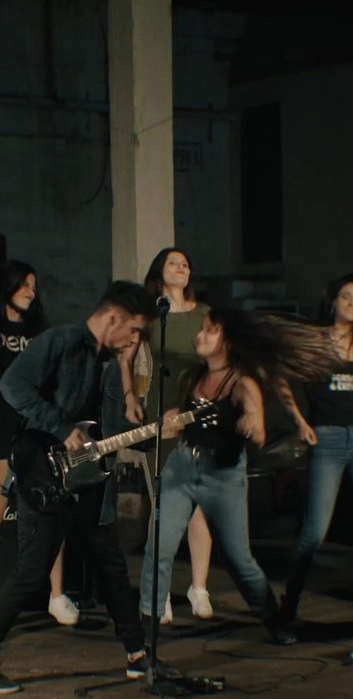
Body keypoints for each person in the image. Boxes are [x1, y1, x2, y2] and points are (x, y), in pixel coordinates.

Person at [0, 281, 154, 694]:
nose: (135, 340)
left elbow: (110, 432)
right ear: (114, 318)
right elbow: (12, 386)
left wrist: (153, 428)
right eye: (134, 330)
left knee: (112, 568)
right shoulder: (61, 341)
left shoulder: (109, 365)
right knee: (31, 572)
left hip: (87, 479)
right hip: (44, 474)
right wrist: (61, 428)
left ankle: (138, 655)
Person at [139, 307, 336, 646]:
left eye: (209, 330)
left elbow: (256, 423)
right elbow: (178, 424)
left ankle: (273, 618)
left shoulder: (241, 382)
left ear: (227, 342)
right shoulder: (192, 376)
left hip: (222, 477)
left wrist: (251, 424)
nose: (200, 335)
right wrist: (169, 423)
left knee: (239, 560)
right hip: (182, 467)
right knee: (158, 546)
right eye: (202, 329)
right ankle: (147, 627)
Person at [0, 183, 74, 630]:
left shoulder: (40, 330)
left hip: (35, 428)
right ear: (6, 286)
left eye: (33, 286)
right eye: (23, 284)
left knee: (49, 507)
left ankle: (57, 595)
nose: (30, 290)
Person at [277, 275, 353, 629]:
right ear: (334, 301)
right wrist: (299, 421)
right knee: (315, 531)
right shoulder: (317, 342)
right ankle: (290, 602)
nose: (352, 304)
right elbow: (280, 377)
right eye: (346, 296)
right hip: (326, 439)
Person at [118, 247, 216, 622]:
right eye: (174, 263)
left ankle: (199, 588)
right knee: (165, 504)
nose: (181, 268)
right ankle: (160, 594)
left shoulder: (204, 313)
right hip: (164, 415)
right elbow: (125, 357)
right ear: (160, 271)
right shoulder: (151, 314)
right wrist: (130, 397)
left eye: (186, 264)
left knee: (198, 505)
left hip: (200, 412)